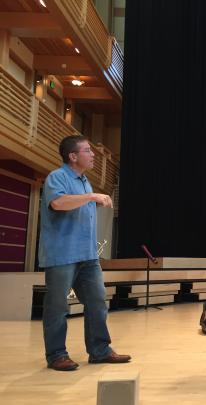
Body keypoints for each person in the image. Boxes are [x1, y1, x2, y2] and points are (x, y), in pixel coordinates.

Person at [39, 135, 131, 371]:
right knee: (57, 307)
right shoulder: (57, 177)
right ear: (73, 156)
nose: (92, 155)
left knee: (97, 301)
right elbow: (58, 203)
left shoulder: (84, 181)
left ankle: (100, 351)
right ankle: (57, 355)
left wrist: (90, 197)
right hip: (62, 256)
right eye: (87, 151)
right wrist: (91, 197)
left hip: (88, 256)